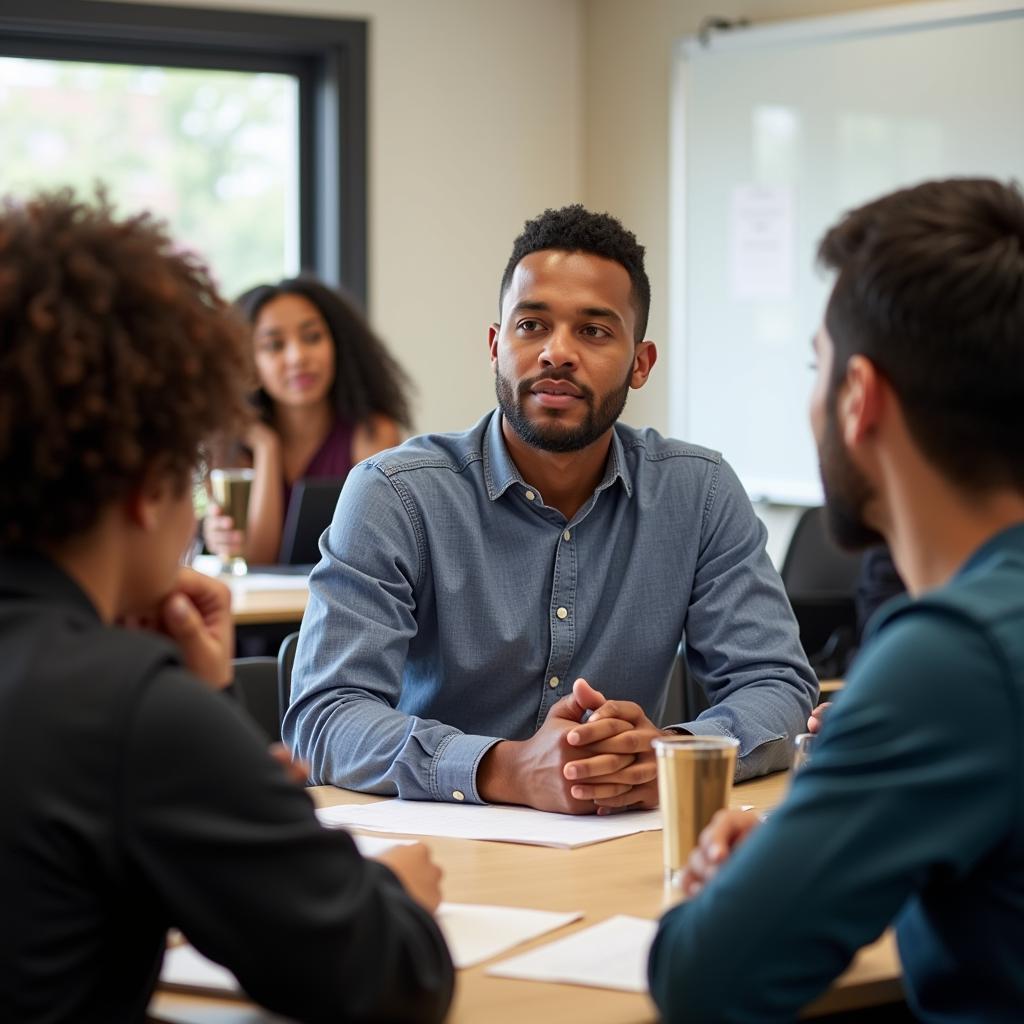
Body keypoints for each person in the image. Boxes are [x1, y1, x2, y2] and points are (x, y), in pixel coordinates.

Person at [0, 191, 453, 1023]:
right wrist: (387, 892)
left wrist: (209, 720)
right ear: (147, 489)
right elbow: (391, 980)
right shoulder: (132, 714)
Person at [285, 204, 816, 814]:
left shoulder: (699, 493)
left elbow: (776, 684)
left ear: (640, 364)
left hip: (616, 850)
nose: (556, 353)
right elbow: (326, 716)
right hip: (438, 852)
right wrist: (504, 769)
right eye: (531, 325)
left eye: (594, 331)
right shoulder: (395, 493)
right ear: (495, 345)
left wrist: (670, 756)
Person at [648, 178, 1024, 1020]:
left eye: (816, 367)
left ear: (861, 399)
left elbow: (704, 977)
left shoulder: (952, 657)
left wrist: (766, 877)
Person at [203, 276, 413, 565]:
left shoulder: (372, 434)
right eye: (274, 345)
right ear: (247, 362)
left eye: (312, 337)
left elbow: (371, 553)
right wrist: (267, 448)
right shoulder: (234, 445)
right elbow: (256, 559)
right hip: (261, 610)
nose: (297, 357)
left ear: (337, 345)